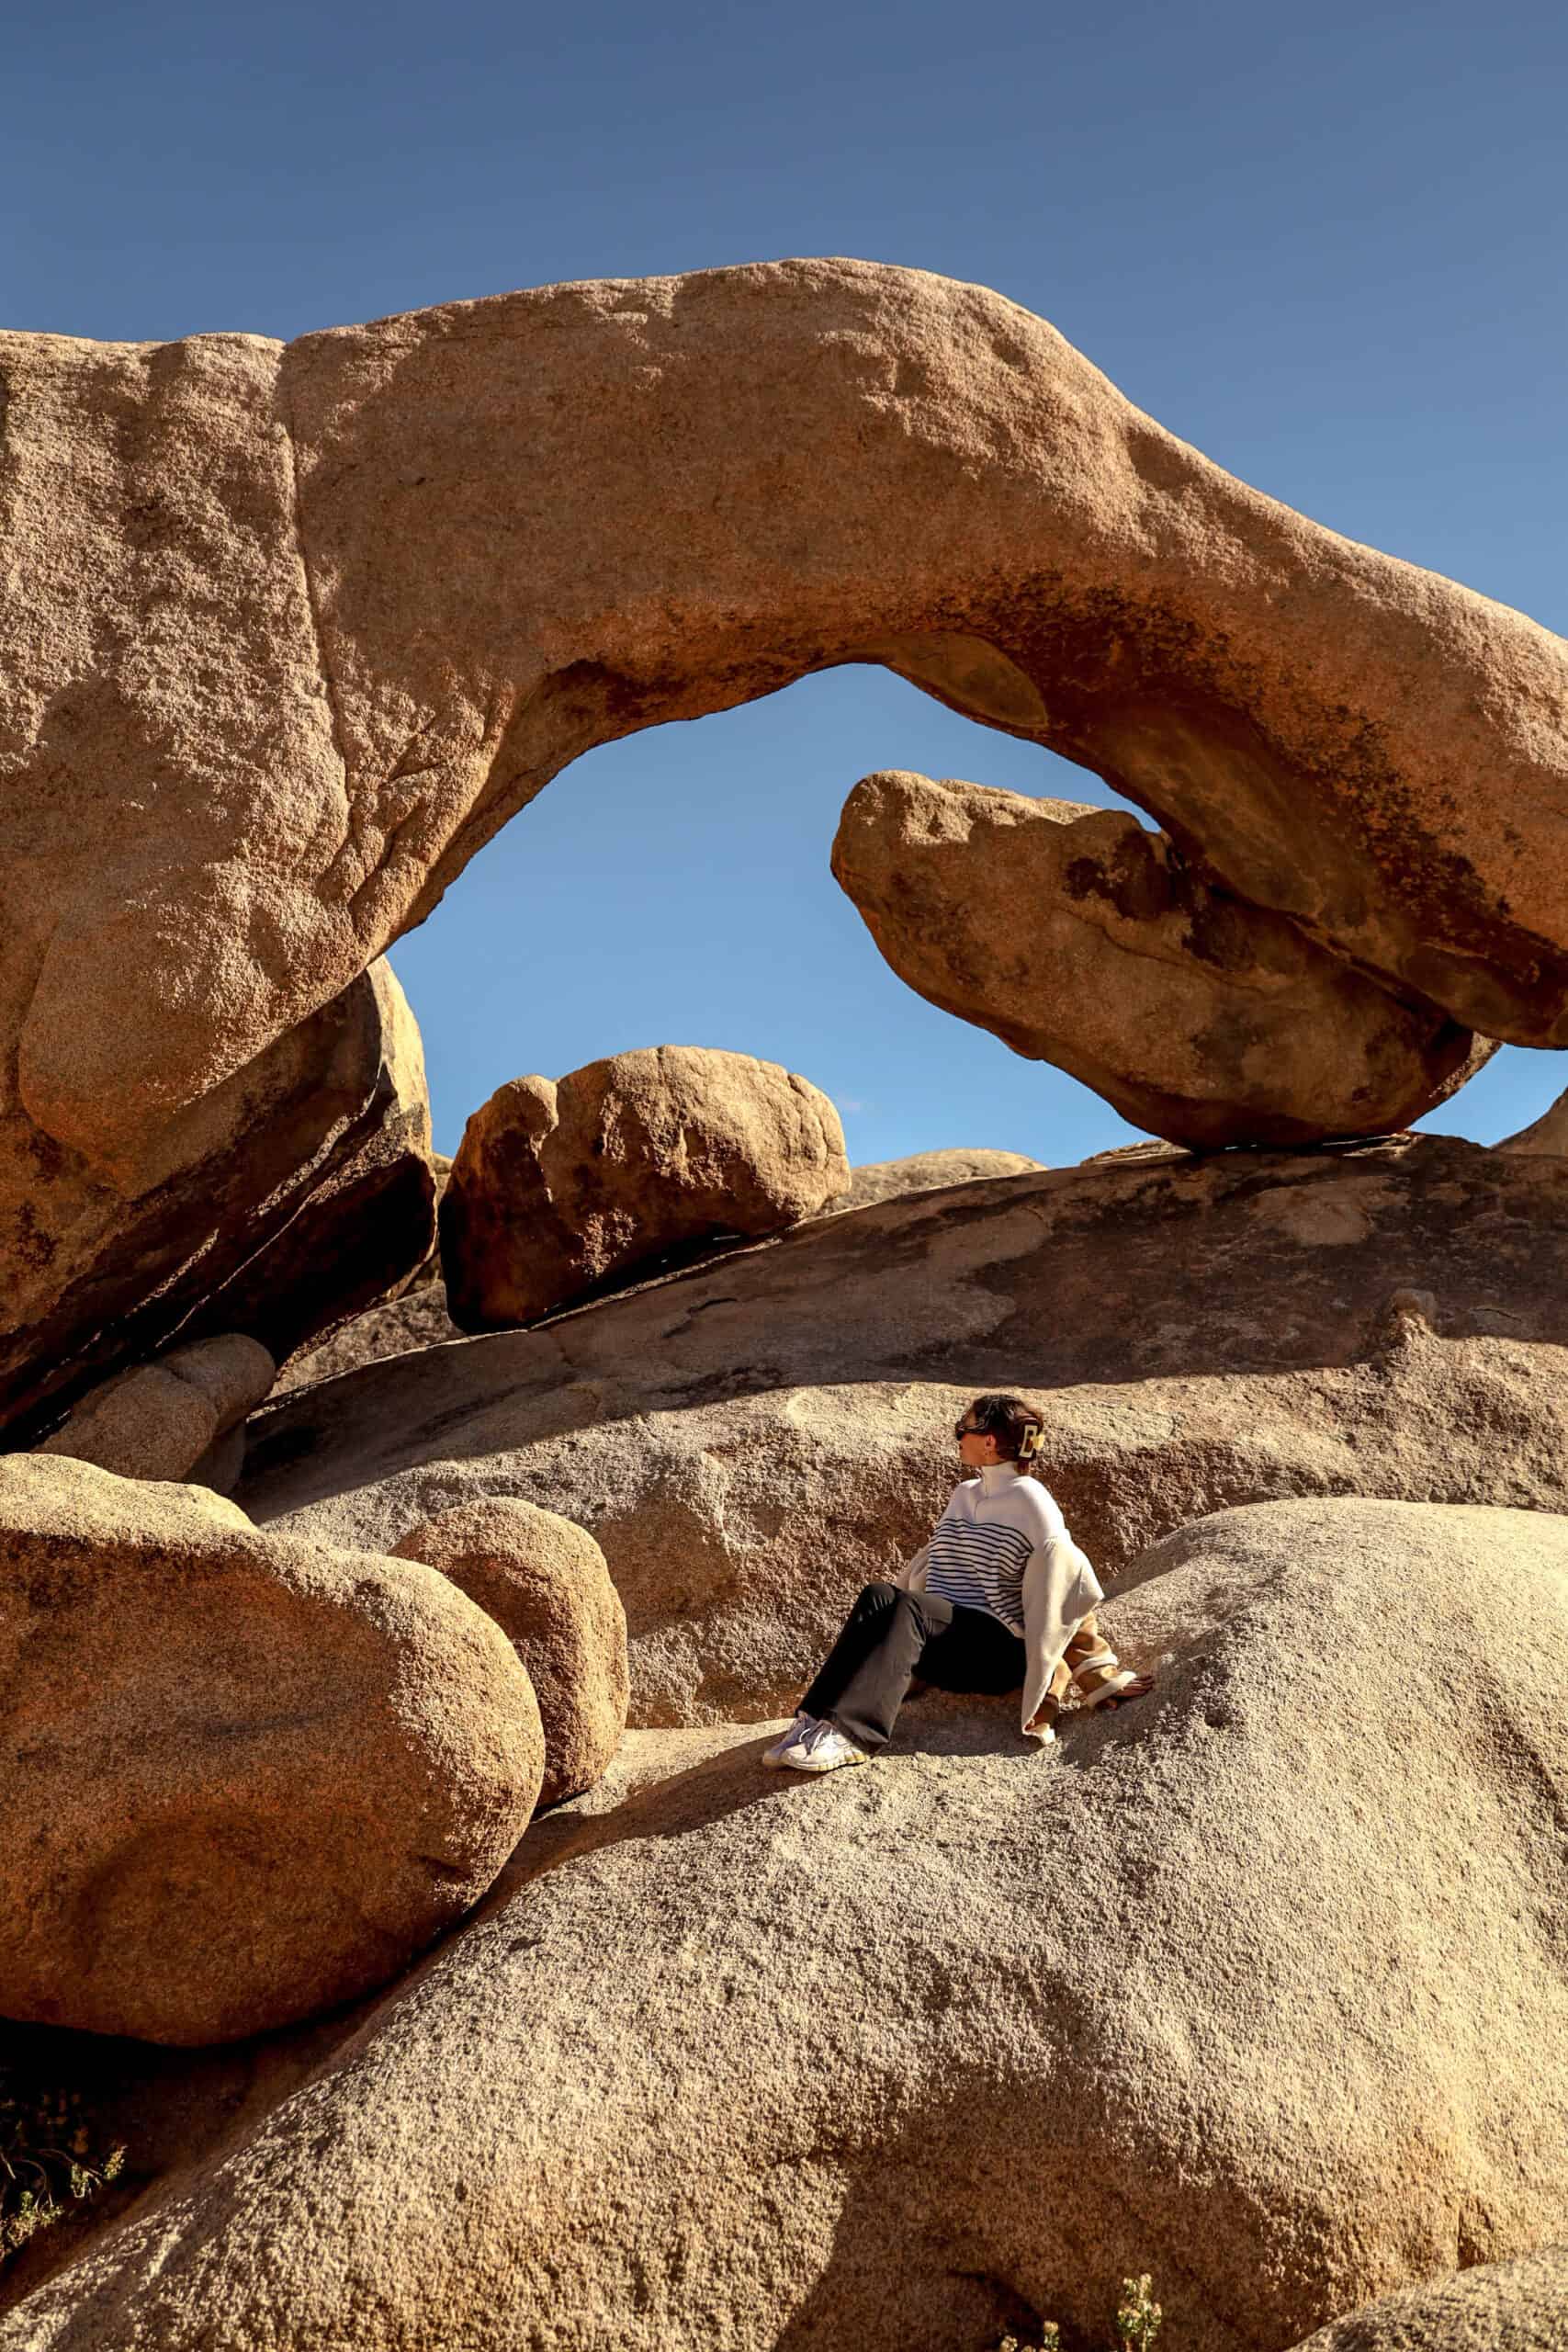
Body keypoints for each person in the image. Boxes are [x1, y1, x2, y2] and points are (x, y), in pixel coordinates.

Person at [763, 1392, 1154, 1774]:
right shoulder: (964, 1495)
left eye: (961, 1428)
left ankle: (853, 1736)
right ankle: (815, 1720)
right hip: (945, 1644)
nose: (956, 1437)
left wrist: (1099, 1675)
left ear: (989, 1442)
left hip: (997, 1656)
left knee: (910, 1606)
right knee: (880, 1595)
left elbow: (1068, 1587)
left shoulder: (1033, 1502)